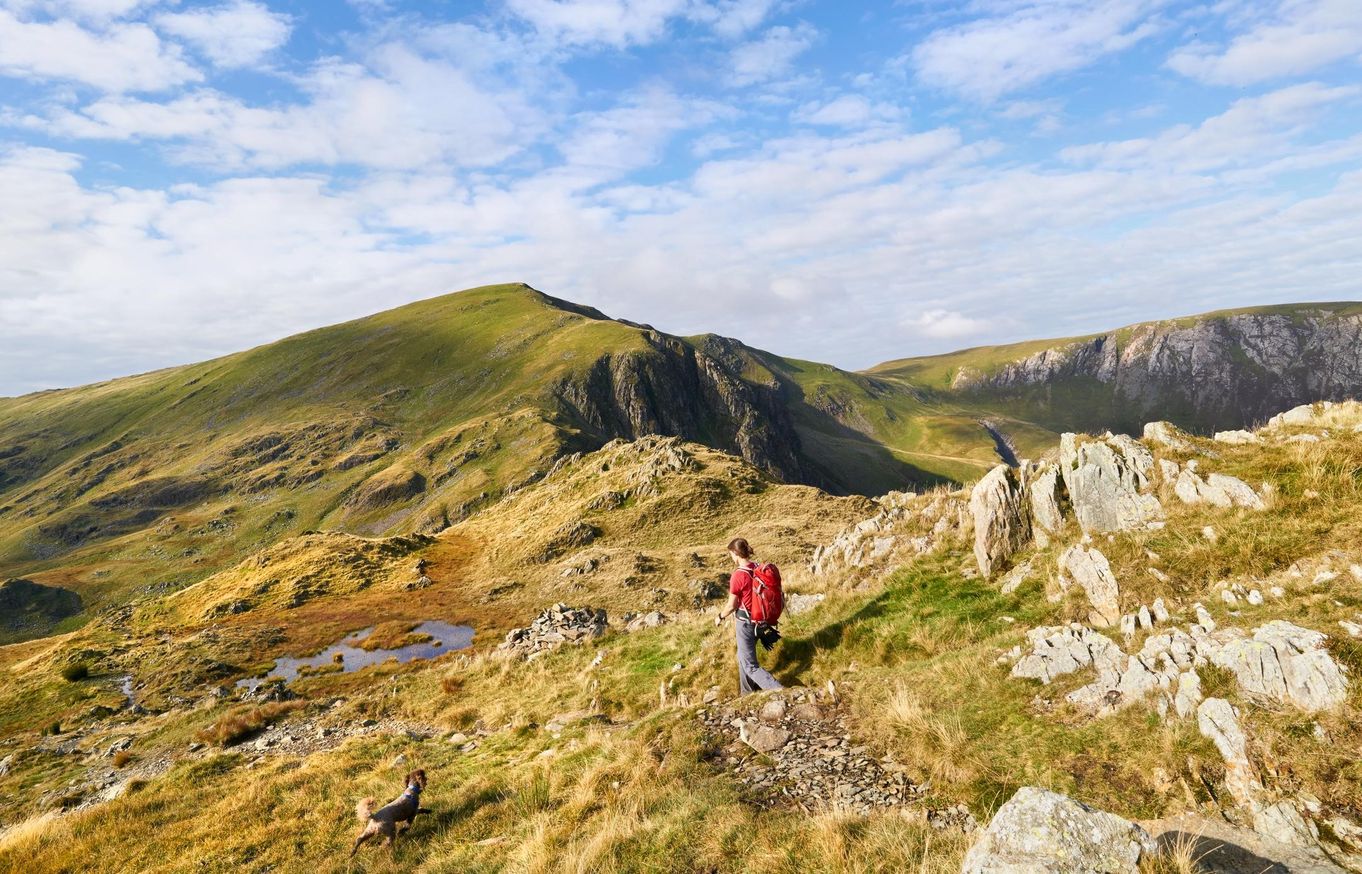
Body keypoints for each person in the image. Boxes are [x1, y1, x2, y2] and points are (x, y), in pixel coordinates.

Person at [714, 537, 783, 695]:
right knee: (743, 657)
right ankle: (747, 694)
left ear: (735, 553)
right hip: (761, 621)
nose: (731, 557)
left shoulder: (738, 575)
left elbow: (732, 605)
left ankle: (779, 691)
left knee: (750, 665)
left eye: (731, 554)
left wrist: (720, 617)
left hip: (745, 623)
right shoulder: (758, 567)